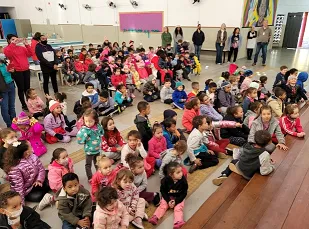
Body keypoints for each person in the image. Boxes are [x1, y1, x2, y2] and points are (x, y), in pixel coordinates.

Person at [3, 141, 52, 207]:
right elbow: (18, 187)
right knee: (39, 196)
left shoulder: (33, 156)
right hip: (27, 189)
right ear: (26, 152)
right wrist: (21, 204)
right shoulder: (14, 168)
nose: (32, 147)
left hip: (37, 181)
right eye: (30, 146)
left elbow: (41, 168)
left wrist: (39, 180)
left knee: (51, 178)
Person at [148, 162, 188, 228]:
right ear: (171, 175)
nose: (181, 173)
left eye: (181, 171)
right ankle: (155, 217)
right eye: (178, 172)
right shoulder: (165, 181)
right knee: (163, 205)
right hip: (168, 196)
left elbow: (184, 193)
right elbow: (163, 191)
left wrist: (177, 201)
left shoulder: (183, 180)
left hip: (178, 196)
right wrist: (168, 200)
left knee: (178, 208)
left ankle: (178, 222)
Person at [4, 34, 32, 110]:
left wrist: (27, 45)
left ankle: (29, 102)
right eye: (12, 39)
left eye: (16, 39)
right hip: (17, 71)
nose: (15, 41)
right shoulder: (7, 48)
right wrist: (13, 43)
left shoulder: (21, 48)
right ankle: (23, 104)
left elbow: (30, 54)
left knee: (27, 88)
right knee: (21, 88)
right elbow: (8, 54)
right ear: (9, 41)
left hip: (26, 69)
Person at [77, 109, 104, 182]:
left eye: (90, 121)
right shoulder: (84, 130)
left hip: (97, 149)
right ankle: (90, 177)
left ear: (95, 120)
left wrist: (101, 138)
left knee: (97, 163)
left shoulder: (98, 126)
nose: (88, 123)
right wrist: (83, 139)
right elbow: (79, 138)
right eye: (86, 121)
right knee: (88, 165)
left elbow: (102, 132)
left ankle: (99, 174)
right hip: (89, 150)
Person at [0, 57, 16, 127]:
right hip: (2, 89)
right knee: (5, 108)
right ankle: (9, 125)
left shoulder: (3, 62)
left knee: (12, 106)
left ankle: (14, 123)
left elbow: (10, 73)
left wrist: (12, 71)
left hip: (11, 84)